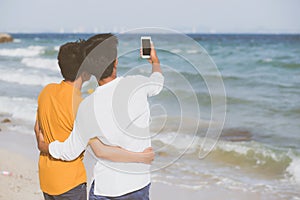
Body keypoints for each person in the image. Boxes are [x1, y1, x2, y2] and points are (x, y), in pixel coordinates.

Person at [38, 33, 164, 199]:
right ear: (116, 62)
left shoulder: (86, 106)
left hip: (107, 188)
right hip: (138, 183)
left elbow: (69, 151)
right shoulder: (138, 85)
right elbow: (157, 82)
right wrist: (154, 61)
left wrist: (46, 146)